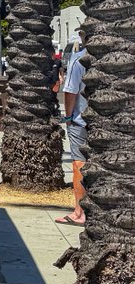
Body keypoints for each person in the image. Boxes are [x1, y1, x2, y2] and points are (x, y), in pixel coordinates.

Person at [57, 33, 88, 227]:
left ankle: (79, 212)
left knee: (79, 164)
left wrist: (68, 117)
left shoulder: (79, 59)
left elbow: (70, 91)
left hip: (80, 121)